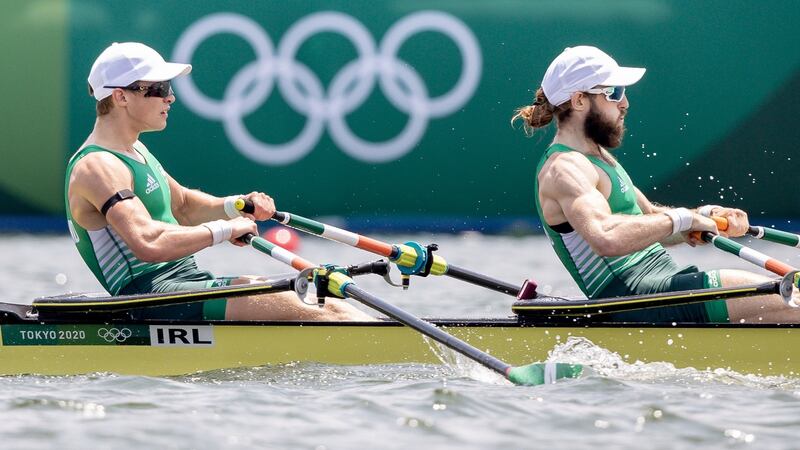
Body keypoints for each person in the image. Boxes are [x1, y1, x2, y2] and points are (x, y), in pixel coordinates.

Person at [66, 42, 373, 321]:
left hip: (185, 285)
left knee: (327, 303)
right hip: (152, 300)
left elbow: (184, 206)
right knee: (330, 316)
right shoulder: (97, 166)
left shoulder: (133, 151)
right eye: (159, 88)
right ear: (120, 96)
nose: (170, 97)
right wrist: (225, 230)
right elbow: (148, 242)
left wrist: (236, 206)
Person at [512, 45, 800, 323]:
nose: (625, 103)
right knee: (795, 301)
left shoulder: (598, 157)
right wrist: (684, 218)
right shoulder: (565, 168)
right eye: (615, 93)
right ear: (578, 101)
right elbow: (606, 237)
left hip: (666, 287)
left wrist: (703, 218)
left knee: (793, 300)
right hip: (637, 301)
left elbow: (651, 221)